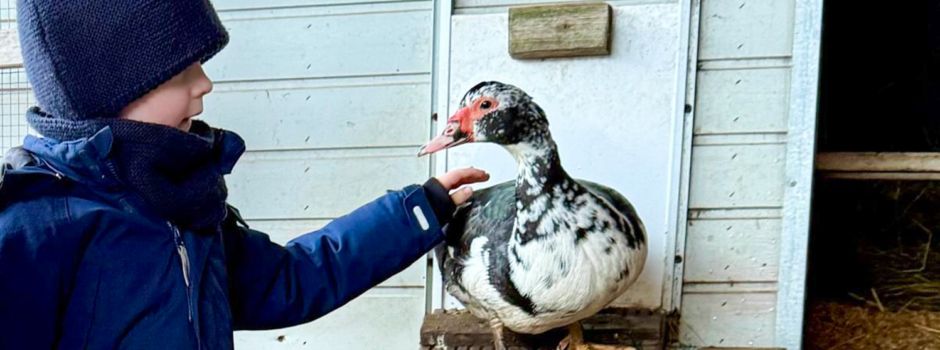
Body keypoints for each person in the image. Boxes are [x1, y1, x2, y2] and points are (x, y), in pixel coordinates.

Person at [0, 0, 488, 348]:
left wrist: (418, 212)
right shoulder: (33, 228)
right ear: (104, 90)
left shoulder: (183, 202)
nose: (204, 84)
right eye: (178, 71)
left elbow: (288, 281)